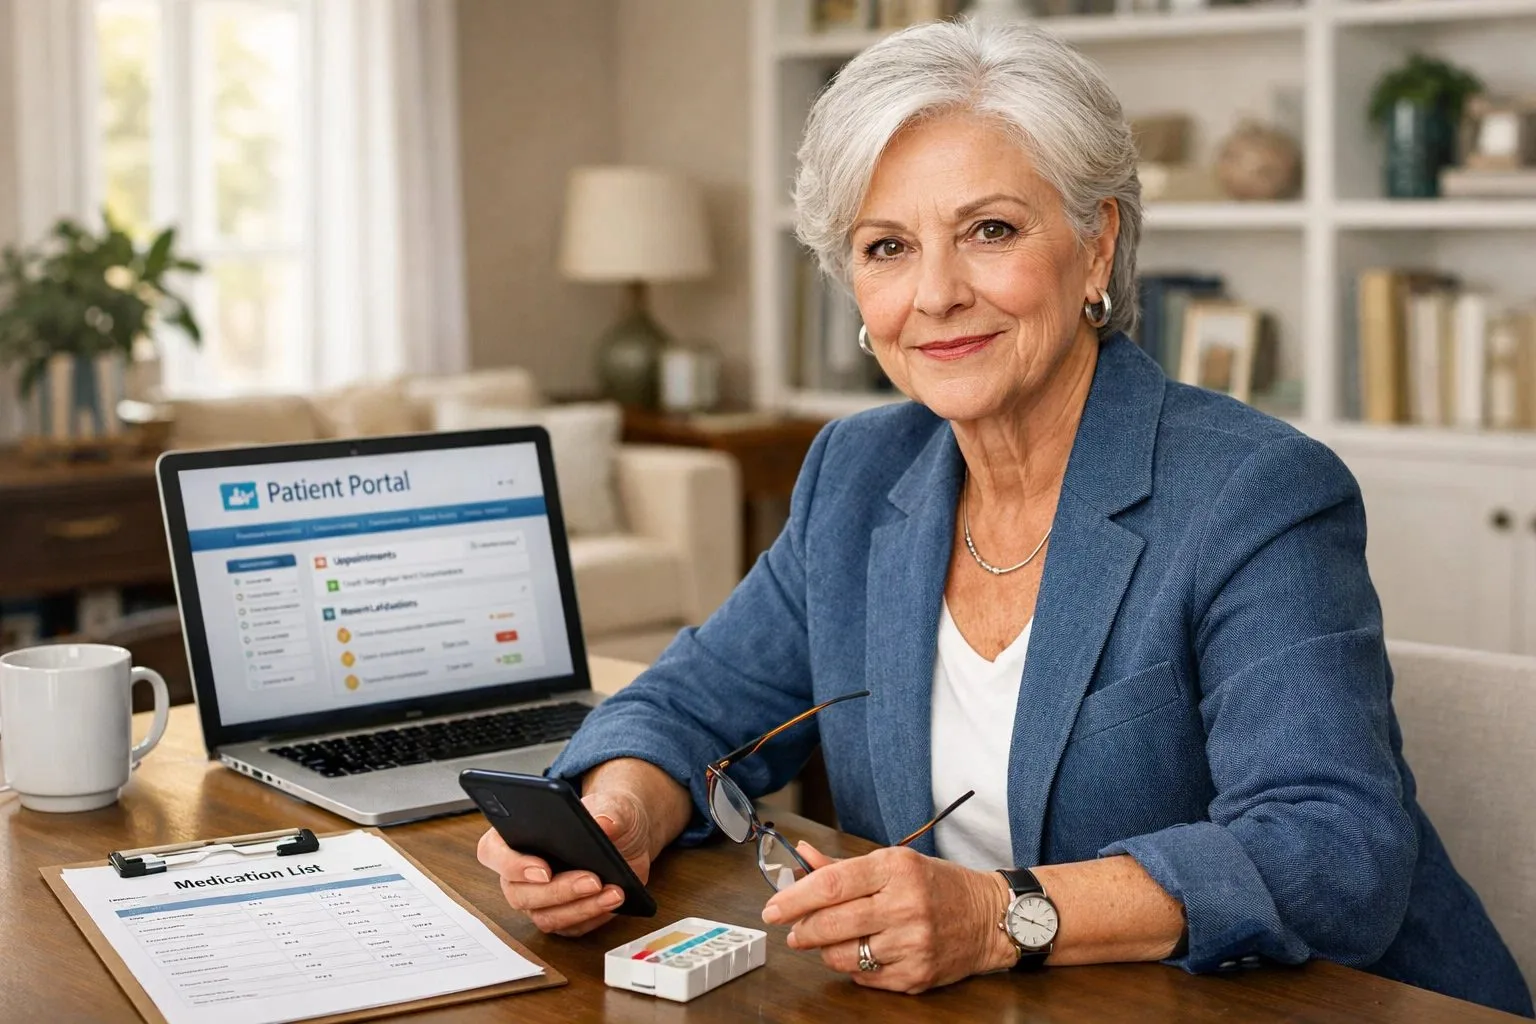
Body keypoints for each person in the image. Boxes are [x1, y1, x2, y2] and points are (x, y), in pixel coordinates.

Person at [476, 17, 1531, 1015]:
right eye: (886, 246)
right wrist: (613, 814)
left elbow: (1334, 851)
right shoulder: (856, 469)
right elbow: (693, 705)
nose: (935, 293)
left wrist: (999, 914)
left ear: (1093, 247)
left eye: (989, 230)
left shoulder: (1254, 492)